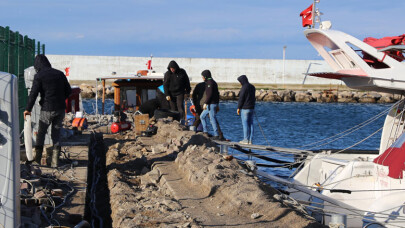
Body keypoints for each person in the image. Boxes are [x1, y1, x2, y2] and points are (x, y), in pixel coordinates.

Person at [24, 54, 72, 168]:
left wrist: (28, 109)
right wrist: (60, 100)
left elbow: (33, 94)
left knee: (41, 133)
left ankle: (37, 161)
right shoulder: (59, 73)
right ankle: (55, 162)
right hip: (60, 109)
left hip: (47, 109)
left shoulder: (39, 76)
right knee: (56, 134)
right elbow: (68, 91)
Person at [200, 70, 220, 140]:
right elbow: (217, 94)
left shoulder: (210, 83)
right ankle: (205, 132)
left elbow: (210, 94)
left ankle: (216, 135)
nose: (202, 78)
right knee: (202, 116)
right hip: (213, 103)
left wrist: (206, 103)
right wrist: (217, 104)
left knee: (212, 118)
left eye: (202, 76)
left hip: (211, 104)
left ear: (205, 76)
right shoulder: (213, 82)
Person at [237, 75, 256, 144]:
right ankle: (250, 140)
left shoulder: (244, 87)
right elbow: (254, 98)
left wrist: (238, 107)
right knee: (251, 124)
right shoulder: (252, 87)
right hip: (252, 108)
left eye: (240, 81)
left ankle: (245, 140)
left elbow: (241, 98)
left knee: (245, 124)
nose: (240, 83)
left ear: (242, 81)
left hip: (245, 108)